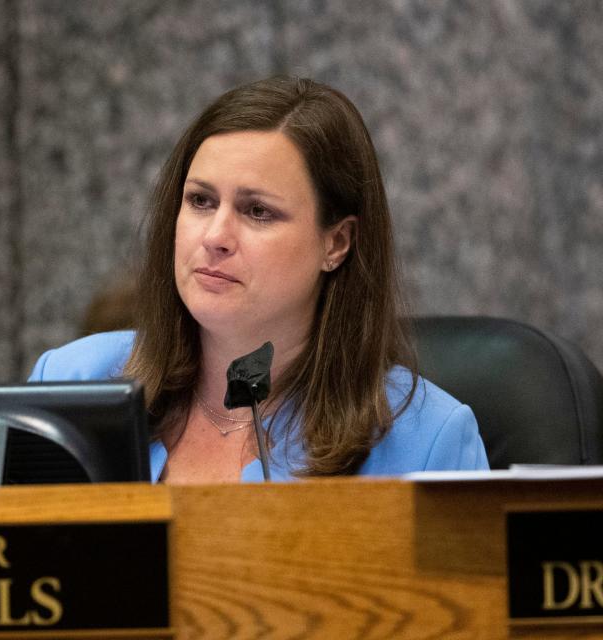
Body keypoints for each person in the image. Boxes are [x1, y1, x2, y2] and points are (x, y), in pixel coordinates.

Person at [29, 76, 488, 483]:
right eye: (201, 201)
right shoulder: (72, 381)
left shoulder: (428, 440)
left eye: (257, 211)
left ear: (336, 243)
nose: (215, 237)